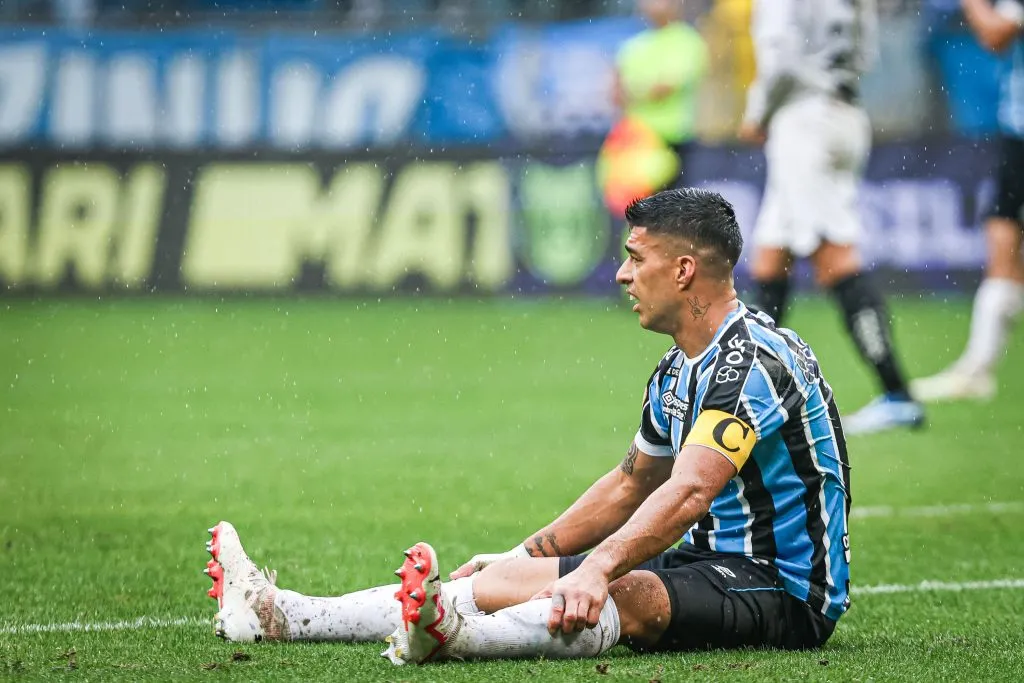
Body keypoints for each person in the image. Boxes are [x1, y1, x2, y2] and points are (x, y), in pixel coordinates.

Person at [205, 189, 850, 665]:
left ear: (683, 271)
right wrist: (525, 555)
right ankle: (281, 614)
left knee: (626, 593)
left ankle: (455, 639)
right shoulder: (678, 367)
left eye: (635, 258)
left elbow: (688, 492)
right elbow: (629, 486)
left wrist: (596, 569)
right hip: (708, 559)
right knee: (498, 581)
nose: (622, 274)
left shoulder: (750, 364)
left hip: (785, 586)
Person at [737, 0, 924, 435]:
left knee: (834, 256)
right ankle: (747, 392)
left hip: (803, 118)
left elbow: (780, 58)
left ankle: (897, 394)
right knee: (771, 256)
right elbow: (867, 51)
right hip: (845, 111)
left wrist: (757, 112)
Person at [912, 0, 1024, 401]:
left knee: (1004, 241)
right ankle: (978, 367)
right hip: (1016, 134)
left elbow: (995, 33)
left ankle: (978, 369)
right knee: (1004, 241)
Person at [600, 0, 708, 211]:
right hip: (637, 146)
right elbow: (616, 93)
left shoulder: (687, 41)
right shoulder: (632, 46)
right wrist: (642, 92)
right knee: (639, 216)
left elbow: (665, 89)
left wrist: (633, 92)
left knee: (672, 216)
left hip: (672, 144)